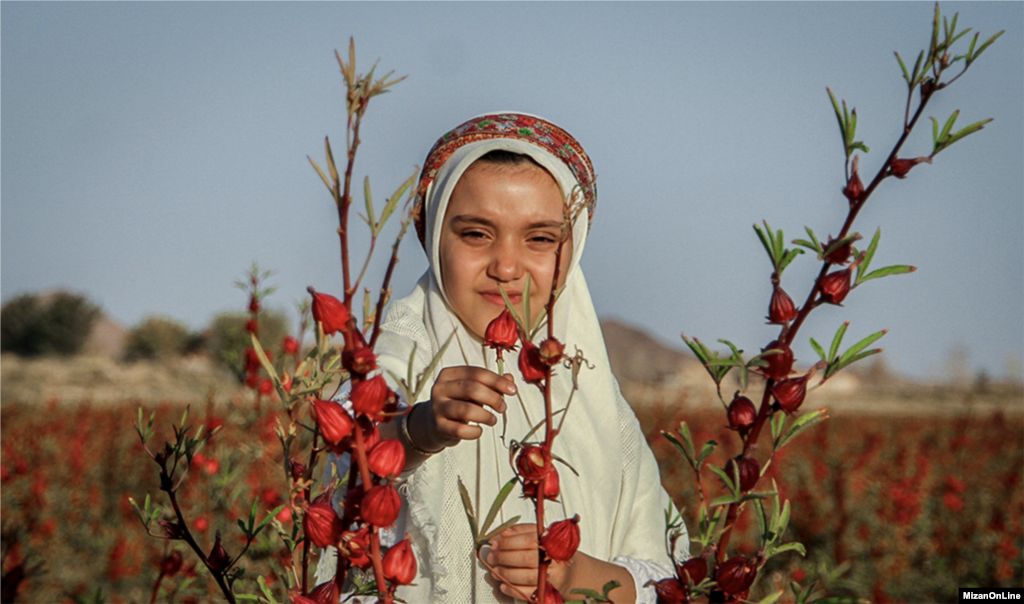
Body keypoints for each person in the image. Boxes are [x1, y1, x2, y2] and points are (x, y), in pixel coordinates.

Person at [316, 113, 685, 603]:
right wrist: (416, 430)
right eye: (475, 234)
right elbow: (341, 459)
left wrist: (573, 575)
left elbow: (669, 581)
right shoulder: (394, 356)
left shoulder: (593, 397)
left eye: (540, 239)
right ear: (432, 238)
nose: (506, 267)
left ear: (571, 250)